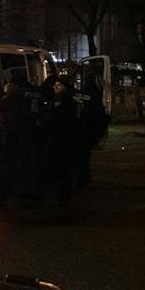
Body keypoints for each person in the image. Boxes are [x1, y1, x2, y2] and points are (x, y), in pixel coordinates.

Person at [0, 73, 36, 206]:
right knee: (27, 166)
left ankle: (1, 195)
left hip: (13, 134)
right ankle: (28, 194)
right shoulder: (32, 94)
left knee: (7, 165)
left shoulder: (14, 96)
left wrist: (6, 93)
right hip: (30, 135)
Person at [42, 73, 81, 206]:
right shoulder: (80, 96)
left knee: (60, 167)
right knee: (72, 166)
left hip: (60, 137)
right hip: (76, 136)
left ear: (63, 86)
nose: (55, 87)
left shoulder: (60, 99)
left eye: (57, 85)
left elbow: (51, 118)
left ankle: (61, 195)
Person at [76, 74, 110, 188]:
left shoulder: (81, 97)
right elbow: (99, 115)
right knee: (85, 155)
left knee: (81, 155)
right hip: (90, 130)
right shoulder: (95, 98)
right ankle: (84, 177)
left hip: (82, 129)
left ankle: (83, 177)